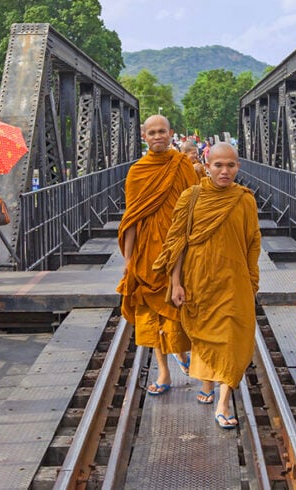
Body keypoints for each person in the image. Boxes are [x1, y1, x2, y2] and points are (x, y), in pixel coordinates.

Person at [153, 142, 261, 428]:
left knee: (232, 340)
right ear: (207, 164)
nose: (225, 171)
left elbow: (253, 242)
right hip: (198, 280)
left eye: (231, 165)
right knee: (203, 335)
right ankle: (207, 384)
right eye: (219, 165)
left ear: (238, 166)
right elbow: (176, 243)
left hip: (234, 281)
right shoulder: (192, 197)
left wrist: (252, 279)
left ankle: (223, 402)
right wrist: (176, 283)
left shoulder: (245, 199)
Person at [117, 115, 198, 395]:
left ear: (171, 133)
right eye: (152, 132)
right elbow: (130, 220)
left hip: (180, 250)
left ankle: (186, 354)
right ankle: (163, 372)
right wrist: (128, 262)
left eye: (162, 131)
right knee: (150, 312)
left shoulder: (183, 165)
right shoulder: (137, 172)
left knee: (181, 308)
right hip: (147, 254)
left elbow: (193, 211)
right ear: (144, 137)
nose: (157, 136)